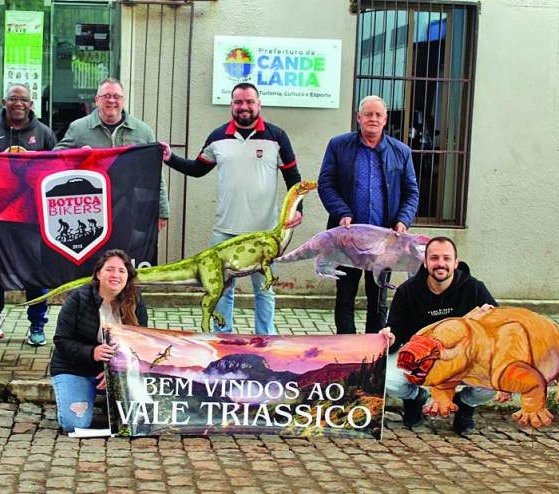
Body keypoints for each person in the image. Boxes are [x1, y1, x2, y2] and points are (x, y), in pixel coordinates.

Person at [161, 82, 302, 335]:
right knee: (223, 292)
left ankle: (265, 340)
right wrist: (170, 158)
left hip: (265, 234)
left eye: (249, 102)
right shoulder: (217, 137)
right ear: (232, 105)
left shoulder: (277, 137)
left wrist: (299, 210)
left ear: (259, 104)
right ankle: (222, 340)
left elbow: (294, 179)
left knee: (265, 291)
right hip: (225, 231)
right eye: (238, 102)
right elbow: (197, 169)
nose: (244, 107)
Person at [0, 84, 58, 345]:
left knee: (36, 273)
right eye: (14, 99)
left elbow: (57, 170)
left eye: (24, 99)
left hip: (32, 217)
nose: (19, 103)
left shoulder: (44, 134)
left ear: (31, 104)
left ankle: (37, 325)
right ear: (4, 102)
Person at [318, 94, 419, 335]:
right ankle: (345, 349)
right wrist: (341, 212)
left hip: (384, 241)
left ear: (385, 120)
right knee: (345, 295)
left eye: (378, 115)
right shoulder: (338, 145)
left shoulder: (401, 151)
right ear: (358, 118)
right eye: (368, 114)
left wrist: (403, 220)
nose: (373, 119)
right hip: (346, 238)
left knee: (378, 298)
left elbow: (411, 191)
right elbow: (326, 183)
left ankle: (374, 348)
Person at [380, 237, 498, 434]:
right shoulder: (407, 291)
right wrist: (389, 338)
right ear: (425, 262)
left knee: (496, 378)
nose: (440, 263)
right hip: (419, 360)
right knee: (385, 377)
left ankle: (464, 404)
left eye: (446, 258)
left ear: (455, 263)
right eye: (434, 258)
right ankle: (415, 398)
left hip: (463, 361)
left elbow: (499, 330)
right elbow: (395, 330)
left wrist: (492, 320)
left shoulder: (474, 288)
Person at [50, 249, 148, 432]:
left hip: (116, 371)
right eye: (110, 269)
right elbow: (61, 340)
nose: (115, 275)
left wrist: (115, 371)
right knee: (75, 425)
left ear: (128, 276)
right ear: (98, 273)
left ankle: (109, 401)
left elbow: (140, 344)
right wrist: (91, 352)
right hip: (75, 369)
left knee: (138, 420)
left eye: (121, 271)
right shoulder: (78, 298)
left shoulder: (135, 300)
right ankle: (81, 394)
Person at [54, 78, 170, 231]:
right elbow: (55, 158)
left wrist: (162, 211)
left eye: (116, 96)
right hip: (91, 209)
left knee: (129, 254)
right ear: (97, 100)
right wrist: (76, 155)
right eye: (106, 96)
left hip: (131, 209)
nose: (111, 100)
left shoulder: (143, 131)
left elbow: (155, 174)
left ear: (123, 100)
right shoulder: (79, 128)